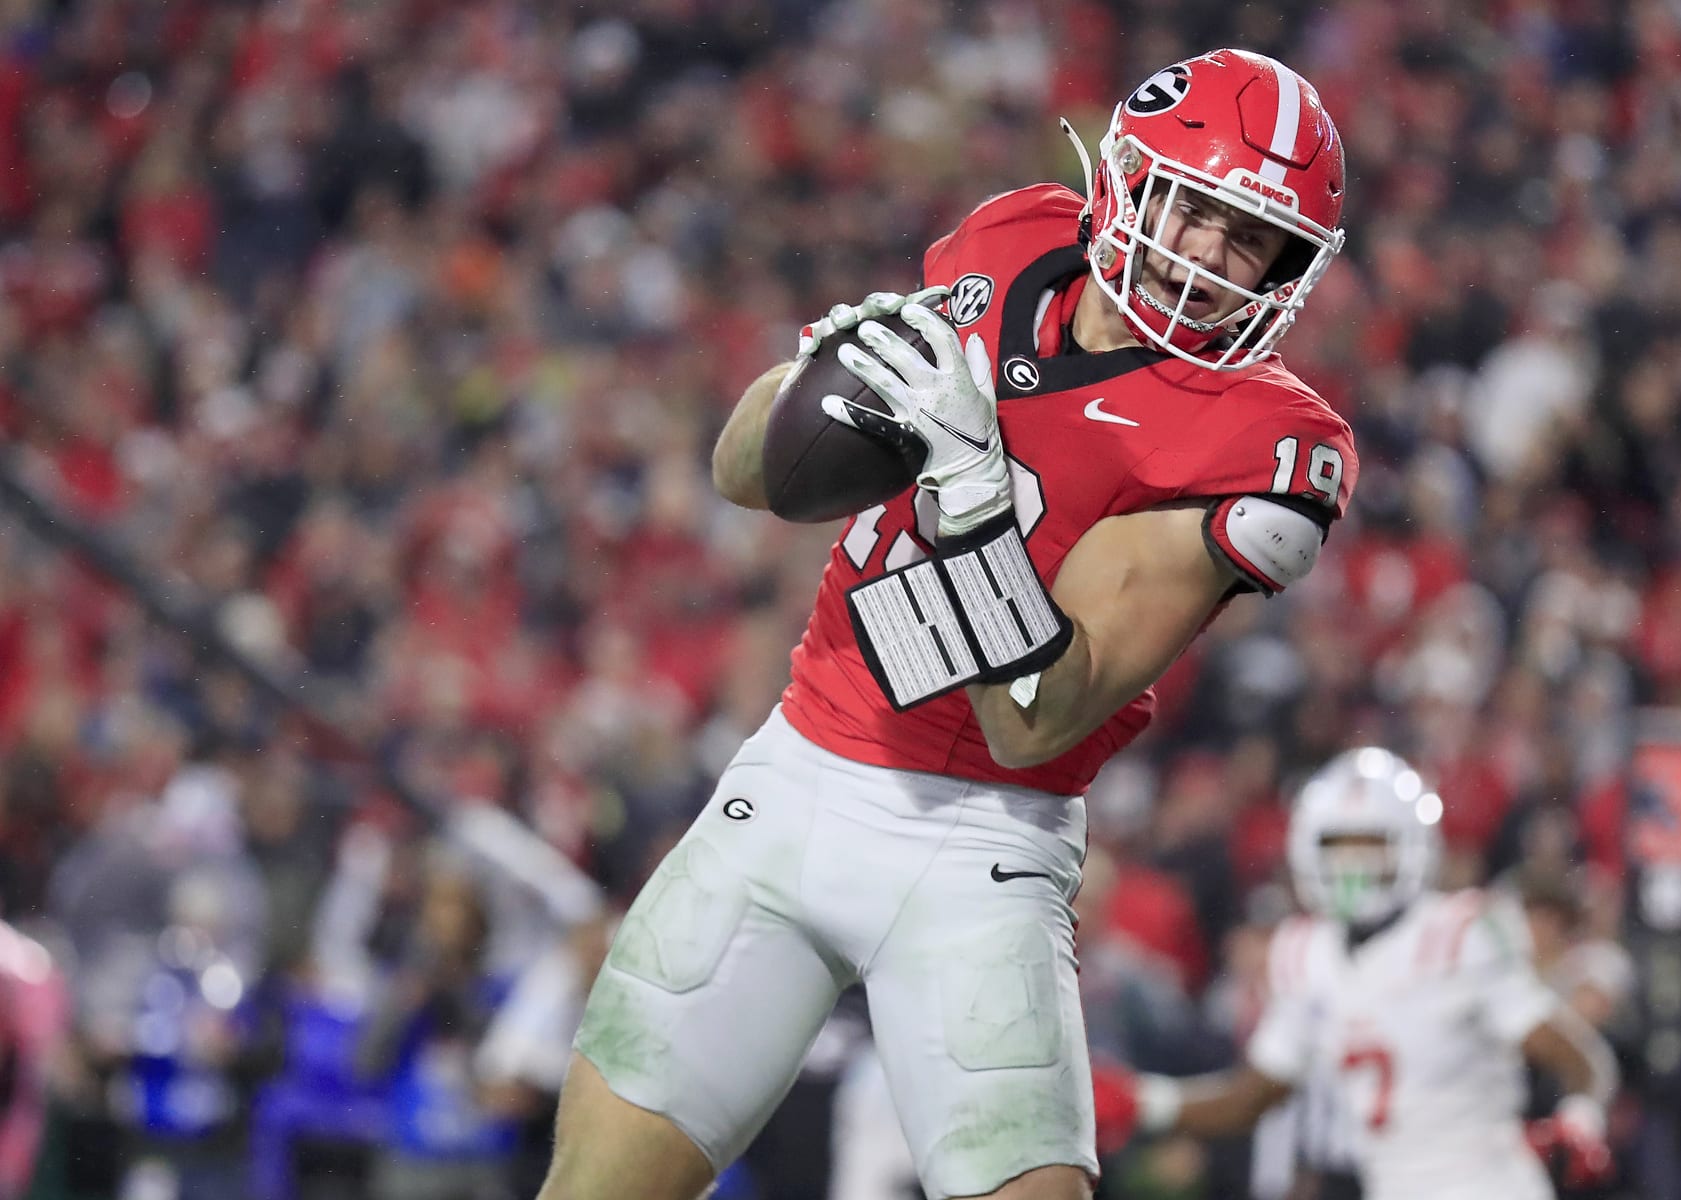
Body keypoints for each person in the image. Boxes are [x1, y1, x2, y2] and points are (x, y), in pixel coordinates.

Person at [540, 49, 1359, 1200]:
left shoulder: (1265, 441)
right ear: (1130, 175)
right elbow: (744, 474)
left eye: (1251, 242)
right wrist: (816, 381)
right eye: (1199, 209)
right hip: (795, 780)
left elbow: (1034, 720)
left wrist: (975, 495)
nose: (1210, 259)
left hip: (982, 842)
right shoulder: (1014, 237)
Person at [1092, 748, 1619, 1200]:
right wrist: (1145, 1102)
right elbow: (1253, 1096)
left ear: (1410, 848)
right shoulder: (1304, 953)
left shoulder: (1459, 934)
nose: (1352, 867)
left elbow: (1580, 1058)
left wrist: (1580, 1120)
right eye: (1337, 847)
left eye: (1370, 846)